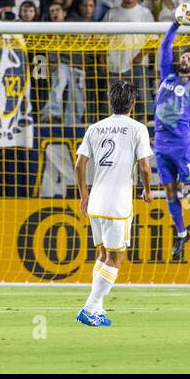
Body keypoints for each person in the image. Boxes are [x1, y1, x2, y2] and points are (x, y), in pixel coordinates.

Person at [72, 79, 154, 327]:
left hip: (96, 201)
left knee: (103, 254)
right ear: (134, 104)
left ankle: (96, 308)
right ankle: (90, 307)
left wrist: (84, 195)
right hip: (118, 204)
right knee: (117, 257)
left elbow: (79, 164)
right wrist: (148, 190)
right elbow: (145, 167)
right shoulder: (137, 128)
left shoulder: (95, 128)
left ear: (110, 101)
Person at [152, 8, 190, 261]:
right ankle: (181, 234)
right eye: (185, 56)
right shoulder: (167, 74)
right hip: (160, 144)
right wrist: (174, 26)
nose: (186, 59)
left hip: (182, 145)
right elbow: (164, 49)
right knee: (169, 191)